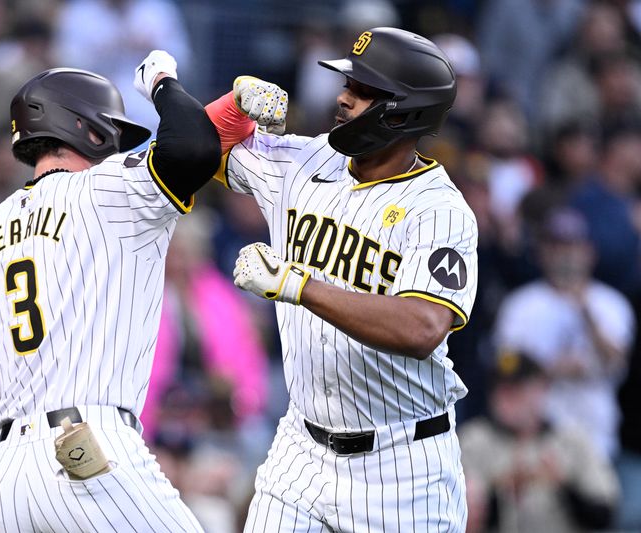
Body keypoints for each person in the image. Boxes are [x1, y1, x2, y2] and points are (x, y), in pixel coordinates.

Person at [0, 51, 220, 532]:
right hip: (88, 448)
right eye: (112, 132)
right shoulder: (105, 190)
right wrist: (163, 81)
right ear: (87, 129)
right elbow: (193, 148)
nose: (116, 146)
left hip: (7, 478)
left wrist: (22, 396)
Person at [206, 27, 478, 532]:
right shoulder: (304, 160)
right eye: (348, 84)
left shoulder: (439, 211)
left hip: (402, 467)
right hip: (301, 450)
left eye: (364, 90)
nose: (344, 97)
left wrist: (297, 285)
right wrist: (235, 102)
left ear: (404, 110)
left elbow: (422, 327)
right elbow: (195, 147)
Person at [494, 207, 634, 460]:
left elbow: (618, 363)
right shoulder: (519, 305)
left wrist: (585, 311)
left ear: (589, 252)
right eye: (557, 246)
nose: (566, 255)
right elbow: (504, 370)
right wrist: (549, 369)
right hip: (535, 439)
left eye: (573, 246)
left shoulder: (611, 303)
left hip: (598, 437)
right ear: (542, 253)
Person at [459, 350, 618, 532]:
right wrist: (503, 491)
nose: (506, 398)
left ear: (542, 389)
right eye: (501, 388)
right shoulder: (472, 440)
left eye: (517, 389)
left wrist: (563, 487)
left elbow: (604, 516)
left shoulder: (572, 441)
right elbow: (456, 515)